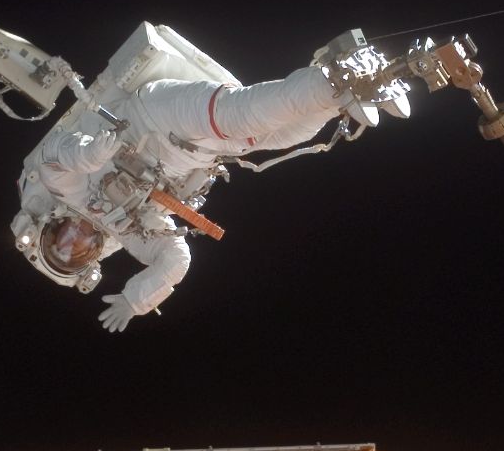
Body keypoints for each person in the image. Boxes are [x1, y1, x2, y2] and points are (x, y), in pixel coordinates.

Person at [25, 60, 390, 331]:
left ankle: (333, 75)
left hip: (151, 116)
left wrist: (89, 156)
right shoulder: (126, 232)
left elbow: (53, 161)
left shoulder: (70, 192)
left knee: (240, 117)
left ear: (54, 225)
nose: (73, 239)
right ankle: (341, 97)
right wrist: (137, 299)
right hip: (187, 153)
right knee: (270, 138)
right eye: (73, 252)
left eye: (60, 239)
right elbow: (174, 258)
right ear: (89, 257)